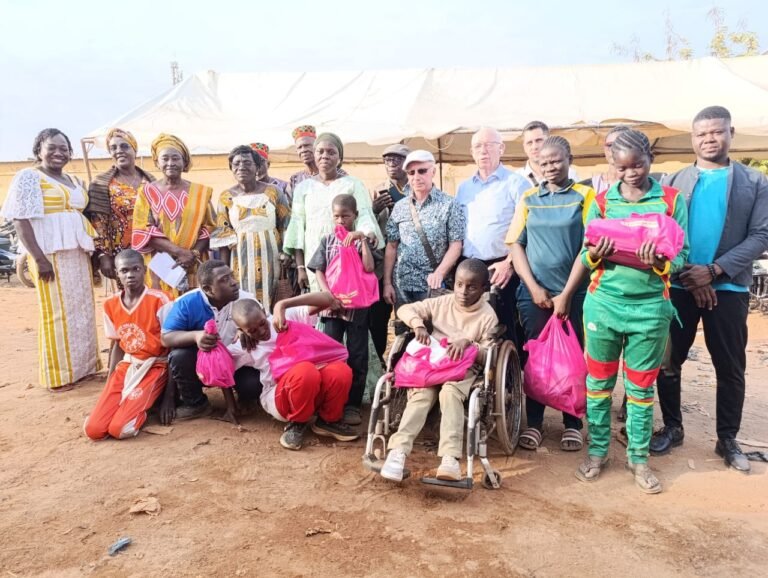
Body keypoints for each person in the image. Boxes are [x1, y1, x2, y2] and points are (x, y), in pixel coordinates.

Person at [652, 106, 768, 474]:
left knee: (729, 366)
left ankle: (727, 438)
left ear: (731, 133)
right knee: (668, 361)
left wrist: (714, 271)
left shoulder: (755, 182)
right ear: (692, 138)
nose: (709, 139)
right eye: (702, 134)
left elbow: (761, 234)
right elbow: (663, 232)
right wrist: (689, 274)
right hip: (680, 284)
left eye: (717, 132)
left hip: (729, 287)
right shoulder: (674, 180)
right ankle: (673, 427)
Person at [575, 129, 688, 494]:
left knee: (640, 388)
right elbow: (585, 253)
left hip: (650, 309)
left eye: (637, 165)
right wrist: (596, 254)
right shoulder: (601, 201)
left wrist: (659, 262)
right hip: (603, 306)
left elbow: (683, 254)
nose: (630, 174)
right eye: (622, 168)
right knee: (598, 386)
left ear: (650, 159)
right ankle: (597, 453)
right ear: (613, 164)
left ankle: (638, 459)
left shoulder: (671, 200)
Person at [506, 136, 595, 452]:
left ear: (570, 158)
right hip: (535, 295)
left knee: (573, 356)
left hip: (575, 294)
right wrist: (533, 288)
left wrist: (566, 294)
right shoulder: (529, 198)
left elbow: (589, 247)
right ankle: (534, 422)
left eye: (556, 160)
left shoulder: (585, 196)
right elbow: (516, 244)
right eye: (543, 163)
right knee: (537, 358)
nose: (549, 167)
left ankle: (572, 422)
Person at [379, 259, 498, 482]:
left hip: (463, 367)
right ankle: (398, 451)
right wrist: (418, 324)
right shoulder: (442, 302)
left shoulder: (488, 316)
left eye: (472, 287)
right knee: (422, 395)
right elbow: (405, 309)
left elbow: (489, 355)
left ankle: (450, 458)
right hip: (434, 363)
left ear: (483, 288)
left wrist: (469, 344)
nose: (463, 292)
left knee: (450, 393)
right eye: (459, 285)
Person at [1, 128, 101, 390]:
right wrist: (39, 259)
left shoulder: (73, 180)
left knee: (81, 310)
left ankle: (84, 369)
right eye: (52, 147)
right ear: (39, 150)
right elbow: (20, 219)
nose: (59, 153)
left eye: (64, 148)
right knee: (56, 312)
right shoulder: (29, 177)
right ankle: (59, 375)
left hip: (77, 253)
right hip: (49, 254)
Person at [231, 294, 359, 451]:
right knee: (305, 371)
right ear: (242, 330)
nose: (262, 331)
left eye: (262, 323)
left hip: (312, 388)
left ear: (264, 312)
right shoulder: (245, 345)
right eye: (252, 331)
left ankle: (328, 421)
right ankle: (297, 423)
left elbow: (328, 299)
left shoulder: (285, 316)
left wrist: (282, 304)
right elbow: (216, 363)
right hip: (281, 397)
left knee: (340, 371)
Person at [307, 194, 382, 425]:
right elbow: (318, 270)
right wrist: (328, 296)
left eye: (346, 216)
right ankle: (330, 401)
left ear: (355, 216)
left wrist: (362, 239)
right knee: (331, 354)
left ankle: (352, 405)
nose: (341, 221)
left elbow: (369, 268)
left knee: (358, 355)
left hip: (357, 309)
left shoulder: (361, 241)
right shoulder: (327, 241)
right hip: (332, 308)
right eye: (337, 216)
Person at [160, 259, 262, 421]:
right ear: (208, 289)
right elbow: (166, 338)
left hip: (237, 364)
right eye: (224, 280)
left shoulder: (245, 300)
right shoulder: (187, 303)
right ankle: (196, 403)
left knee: (252, 385)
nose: (234, 283)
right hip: (204, 365)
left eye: (232, 276)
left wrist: (247, 329)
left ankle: (247, 398)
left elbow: (266, 328)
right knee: (180, 356)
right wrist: (196, 336)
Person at [83, 250, 170, 440]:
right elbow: (117, 344)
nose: (130, 275)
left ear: (144, 270)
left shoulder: (160, 300)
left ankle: (144, 407)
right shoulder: (110, 304)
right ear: (117, 274)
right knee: (94, 430)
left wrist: (168, 399)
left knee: (120, 429)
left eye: (136, 269)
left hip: (155, 366)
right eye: (124, 270)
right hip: (127, 364)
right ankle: (129, 405)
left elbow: (173, 347)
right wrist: (110, 382)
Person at [283, 132, 383, 292]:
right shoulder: (303, 188)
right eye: (320, 151)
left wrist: (368, 232)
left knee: (347, 299)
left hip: (347, 255)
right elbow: (298, 229)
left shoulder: (353, 184)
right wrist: (301, 267)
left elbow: (364, 214)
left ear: (340, 158)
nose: (325, 156)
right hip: (313, 258)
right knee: (320, 300)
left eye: (331, 152)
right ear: (314, 154)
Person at [456, 127, 528, 343]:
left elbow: (527, 228)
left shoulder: (517, 183)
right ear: (471, 152)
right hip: (469, 266)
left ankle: (512, 365)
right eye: (478, 146)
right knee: (470, 327)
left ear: (501, 148)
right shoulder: (463, 188)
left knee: (502, 327)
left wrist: (510, 263)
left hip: (502, 266)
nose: (483, 151)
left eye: (489, 145)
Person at [131, 133, 215, 298]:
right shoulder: (146, 192)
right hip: (160, 264)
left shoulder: (200, 192)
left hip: (193, 263)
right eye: (165, 158)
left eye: (176, 158)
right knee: (162, 305)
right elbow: (142, 230)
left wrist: (193, 254)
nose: (170, 163)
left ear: (184, 162)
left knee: (194, 304)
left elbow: (210, 227)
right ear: (157, 162)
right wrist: (179, 252)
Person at [211, 145, 291, 314]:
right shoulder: (226, 197)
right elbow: (224, 236)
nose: (241, 167)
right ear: (231, 168)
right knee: (244, 306)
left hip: (272, 259)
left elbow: (286, 224)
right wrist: (224, 270)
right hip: (239, 261)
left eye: (247, 163)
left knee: (273, 305)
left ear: (257, 167)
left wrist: (287, 254)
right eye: (236, 164)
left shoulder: (274, 192)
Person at [383, 150, 465, 308]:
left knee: (433, 324)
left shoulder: (449, 204)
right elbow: (392, 246)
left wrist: (439, 273)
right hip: (402, 287)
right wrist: (387, 283)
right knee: (404, 324)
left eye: (422, 171)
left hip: (432, 287)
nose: (416, 177)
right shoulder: (400, 207)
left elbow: (456, 245)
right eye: (411, 172)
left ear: (433, 171)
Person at [85, 128, 155, 281]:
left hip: (152, 250)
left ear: (134, 149)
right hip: (122, 256)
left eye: (124, 146)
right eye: (113, 148)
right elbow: (98, 224)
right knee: (130, 293)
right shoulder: (100, 184)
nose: (119, 151)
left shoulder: (151, 181)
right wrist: (104, 255)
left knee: (157, 291)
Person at [369, 143, 410, 361]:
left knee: (409, 317)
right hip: (381, 266)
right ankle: (380, 364)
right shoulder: (377, 191)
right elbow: (365, 226)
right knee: (377, 318)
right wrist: (374, 210)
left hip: (409, 262)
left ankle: (407, 362)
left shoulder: (417, 187)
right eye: (387, 159)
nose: (392, 163)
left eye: (397, 159)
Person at [287, 125, 346, 202]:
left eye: (307, 145)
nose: (303, 150)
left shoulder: (339, 175)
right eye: (299, 147)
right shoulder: (295, 179)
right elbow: (288, 206)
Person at [516, 121, 579, 186]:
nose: (534, 147)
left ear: (549, 140)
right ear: (524, 147)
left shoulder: (569, 174)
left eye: (539, 140)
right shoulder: (516, 178)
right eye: (529, 143)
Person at [581, 125, 631, 195]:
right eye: (610, 145)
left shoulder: (643, 186)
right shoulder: (586, 187)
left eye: (620, 144)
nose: (614, 149)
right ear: (604, 149)